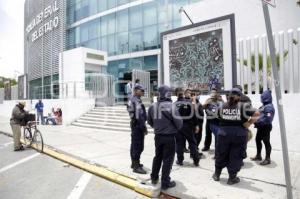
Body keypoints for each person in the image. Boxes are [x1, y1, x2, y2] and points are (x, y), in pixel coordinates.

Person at [212, 88, 260, 185]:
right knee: (236, 155)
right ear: (239, 96)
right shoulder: (243, 106)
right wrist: (249, 123)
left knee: (221, 153)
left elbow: (215, 115)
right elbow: (257, 113)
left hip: (224, 133)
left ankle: (217, 174)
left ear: (229, 96)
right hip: (239, 134)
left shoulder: (222, 106)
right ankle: (232, 178)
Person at [148, 85, 182, 190]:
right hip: (169, 138)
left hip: (158, 137)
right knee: (167, 160)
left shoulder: (152, 106)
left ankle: (154, 177)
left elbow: (149, 121)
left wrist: (158, 127)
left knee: (157, 156)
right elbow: (179, 123)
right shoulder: (171, 106)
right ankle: (165, 182)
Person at [174, 88, 200, 166]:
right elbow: (193, 115)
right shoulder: (189, 102)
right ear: (183, 94)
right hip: (188, 125)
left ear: (176, 95)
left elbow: (172, 117)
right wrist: (196, 125)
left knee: (179, 143)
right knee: (192, 142)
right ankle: (196, 160)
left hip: (178, 126)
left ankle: (180, 160)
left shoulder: (174, 104)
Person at [127, 84, 148, 174]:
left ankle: (134, 163)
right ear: (136, 91)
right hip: (138, 126)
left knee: (134, 145)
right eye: (141, 90)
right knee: (138, 146)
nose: (143, 92)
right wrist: (144, 128)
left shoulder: (133, 99)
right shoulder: (135, 101)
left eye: (143, 90)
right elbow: (139, 116)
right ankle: (136, 166)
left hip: (135, 124)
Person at [251, 90, 275, 165]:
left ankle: (268, 159)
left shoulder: (269, 107)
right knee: (258, 140)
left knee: (266, 142)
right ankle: (258, 155)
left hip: (265, 127)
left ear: (266, 97)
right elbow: (260, 114)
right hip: (261, 127)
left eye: (262, 97)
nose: (261, 98)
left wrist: (257, 121)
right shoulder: (264, 106)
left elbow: (267, 118)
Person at [203, 88, 224, 155]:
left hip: (217, 121)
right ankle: (206, 146)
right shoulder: (208, 100)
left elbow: (223, 108)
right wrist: (206, 103)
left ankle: (217, 150)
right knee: (208, 134)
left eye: (214, 92)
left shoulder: (220, 100)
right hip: (209, 119)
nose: (213, 93)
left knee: (217, 136)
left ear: (217, 93)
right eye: (212, 92)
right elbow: (203, 107)